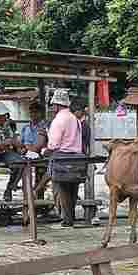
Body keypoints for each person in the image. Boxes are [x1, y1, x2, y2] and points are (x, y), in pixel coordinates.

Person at [45, 89, 85, 227]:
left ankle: (66, 219)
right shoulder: (75, 119)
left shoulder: (58, 120)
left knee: (60, 190)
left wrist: (46, 150)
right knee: (73, 190)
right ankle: (70, 218)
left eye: (53, 106)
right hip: (77, 158)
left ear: (56, 105)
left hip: (62, 158)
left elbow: (53, 144)